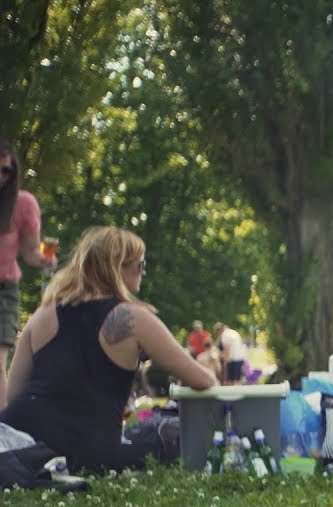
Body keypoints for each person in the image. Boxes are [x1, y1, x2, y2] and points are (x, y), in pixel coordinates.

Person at [0, 226, 216, 472]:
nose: (143, 273)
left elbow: (13, 395)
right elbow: (202, 379)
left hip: (24, 442)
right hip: (88, 450)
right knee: (166, 430)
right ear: (118, 267)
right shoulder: (133, 318)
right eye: (140, 265)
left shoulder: (42, 315)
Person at [0, 141, 57, 409]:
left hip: (5, 288)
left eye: (6, 171)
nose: (1, 176)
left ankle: (2, 429)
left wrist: (45, 259)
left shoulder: (23, 204)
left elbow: (31, 251)